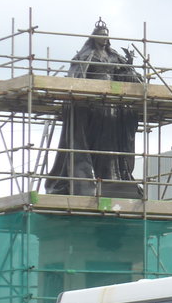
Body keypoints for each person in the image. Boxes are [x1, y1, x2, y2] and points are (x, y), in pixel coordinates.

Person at [44, 19, 144, 198]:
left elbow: (128, 77)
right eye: (101, 36)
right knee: (93, 141)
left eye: (106, 36)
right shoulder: (85, 55)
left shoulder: (114, 56)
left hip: (112, 107)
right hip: (94, 107)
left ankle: (111, 177)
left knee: (111, 145)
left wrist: (128, 69)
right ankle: (92, 179)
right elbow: (76, 76)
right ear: (94, 37)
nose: (104, 39)